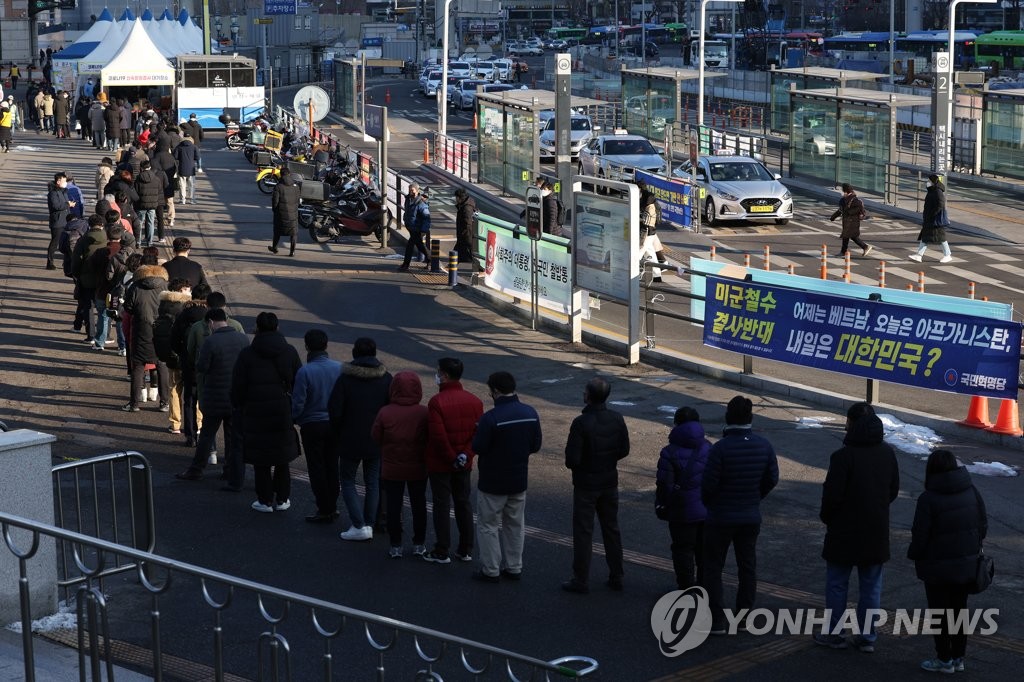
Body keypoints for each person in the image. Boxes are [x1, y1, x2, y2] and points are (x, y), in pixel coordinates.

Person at [814, 403, 899, 652]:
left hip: (843, 530)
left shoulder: (843, 456)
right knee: (871, 585)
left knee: (838, 583)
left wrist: (829, 518)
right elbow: (893, 490)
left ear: (852, 424)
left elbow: (832, 496)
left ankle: (835, 633)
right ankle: (867, 637)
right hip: (876, 529)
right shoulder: (887, 453)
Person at [701, 395, 779, 633]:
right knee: (747, 566)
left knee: (712, 566)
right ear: (751, 418)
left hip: (721, 517)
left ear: (727, 417)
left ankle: (717, 619)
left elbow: (708, 485)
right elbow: (771, 479)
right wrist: (755, 498)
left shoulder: (720, 449)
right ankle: (744, 617)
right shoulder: (764, 446)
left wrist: (714, 503)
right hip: (750, 516)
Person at [908, 450, 988, 674]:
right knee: (959, 610)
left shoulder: (928, 498)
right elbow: (983, 526)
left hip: (936, 567)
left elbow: (920, 535)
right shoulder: (972, 491)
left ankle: (943, 658)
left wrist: (914, 554)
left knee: (939, 613)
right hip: (966, 564)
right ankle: (958, 658)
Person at [471, 371, 541, 583]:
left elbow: (478, 447)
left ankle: (491, 569)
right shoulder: (530, 412)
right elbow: (535, 445)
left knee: (488, 525)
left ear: (495, 391)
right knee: (515, 524)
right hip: (518, 479)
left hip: (492, 481)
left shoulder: (490, 418)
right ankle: (514, 566)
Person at [562, 377, 630, 594]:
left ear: (589, 396)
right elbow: (624, 449)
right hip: (609, 480)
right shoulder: (617, 418)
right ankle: (617, 574)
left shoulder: (581, 423)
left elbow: (572, 459)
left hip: (586, 484)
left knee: (583, 532)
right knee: (611, 528)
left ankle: (580, 579)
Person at [232, 312, 302, 512]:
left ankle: (264, 500)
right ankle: (282, 499)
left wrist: (239, 405)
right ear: (278, 327)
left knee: (260, 458)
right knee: (282, 457)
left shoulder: (247, 354)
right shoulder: (289, 351)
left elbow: (238, 385)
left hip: (255, 410)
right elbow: (298, 380)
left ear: (257, 328)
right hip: (281, 408)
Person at [328, 337, 393, 540]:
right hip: (376, 439)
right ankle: (369, 523)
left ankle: (358, 524)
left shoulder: (345, 379)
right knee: (372, 481)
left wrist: (339, 432)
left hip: (349, 438)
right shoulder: (386, 378)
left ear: (355, 353)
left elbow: (335, 411)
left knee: (347, 480)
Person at [176, 308, 250, 483]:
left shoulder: (211, 341)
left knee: (207, 436)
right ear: (226, 320)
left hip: (214, 396)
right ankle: (230, 470)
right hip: (236, 397)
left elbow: (201, 367)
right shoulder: (242, 339)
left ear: (210, 323)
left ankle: (197, 469)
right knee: (232, 436)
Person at [423, 357, 483, 564]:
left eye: (438, 372)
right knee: (463, 503)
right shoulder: (475, 401)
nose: (437, 375)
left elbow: (438, 437)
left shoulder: (436, 402)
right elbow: (477, 434)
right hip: (464, 462)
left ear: (445, 375)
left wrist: (451, 458)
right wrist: (465, 455)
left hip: (441, 463)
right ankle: (465, 549)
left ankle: (442, 549)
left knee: (441, 505)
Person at [372, 371, 429, 558]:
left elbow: (376, 437)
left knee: (394, 506)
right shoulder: (423, 412)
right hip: (417, 465)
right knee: (419, 504)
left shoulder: (385, 412)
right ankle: (419, 544)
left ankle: (395, 545)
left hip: (392, 465)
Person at [655, 406, 710, 591]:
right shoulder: (708, 447)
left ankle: (687, 588)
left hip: (681, 511)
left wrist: (663, 505)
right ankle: (705, 588)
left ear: (676, 424)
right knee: (704, 552)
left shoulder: (669, 452)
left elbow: (665, 485)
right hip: (707, 510)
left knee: (682, 550)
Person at [291, 329, 343, 523]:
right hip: (334, 424)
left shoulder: (305, 371)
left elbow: (298, 402)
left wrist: (295, 417)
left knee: (316, 467)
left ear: (306, 346)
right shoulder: (339, 368)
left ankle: (324, 507)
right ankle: (333, 504)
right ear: (326, 345)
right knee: (332, 464)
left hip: (311, 424)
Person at [122, 260, 170, 412]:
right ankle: (164, 402)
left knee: (138, 366)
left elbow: (128, 308)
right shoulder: (165, 286)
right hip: (162, 330)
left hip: (141, 330)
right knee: (162, 365)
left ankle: (134, 403)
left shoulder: (135, 287)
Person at [910, 173, 952, 263]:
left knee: (940, 238)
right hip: (931, 218)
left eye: (929, 181)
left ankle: (947, 255)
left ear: (933, 182)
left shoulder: (937, 191)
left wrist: (933, 213)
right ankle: (919, 255)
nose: (927, 182)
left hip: (935, 220)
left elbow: (940, 204)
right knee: (926, 236)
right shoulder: (932, 190)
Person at [637, 180, 668, 281]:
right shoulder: (647, 199)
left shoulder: (648, 202)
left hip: (647, 231)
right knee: (650, 252)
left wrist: (640, 221)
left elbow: (648, 220)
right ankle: (657, 275)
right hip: (649, 231)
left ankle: (632, 275)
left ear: (640, 189)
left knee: (638, 252)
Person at [830, 183, 872, 258]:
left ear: (846, 191)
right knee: (846, 236)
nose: (842, 192)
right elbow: (840, 210)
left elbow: (858, 208)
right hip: (847, 221)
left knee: (852, 236)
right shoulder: (845, 199)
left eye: (843, 190)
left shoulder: (853, 199)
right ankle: (843, 251)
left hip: (853, 221)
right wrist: (833, 217)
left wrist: (849, 212)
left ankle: (865, 247)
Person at [133, 160, 166, 247]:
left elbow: (135, 192)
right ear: (150, 167)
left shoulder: (138, 178)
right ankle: (150, 241)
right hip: (153, 205)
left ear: (141, 168)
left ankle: (138, 242)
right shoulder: (156, 179)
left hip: (141, 205)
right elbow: (159, 191)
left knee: (139, 223)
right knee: (151, 223)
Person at [46, 172, 75, 270]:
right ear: (58, 181)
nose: (65, 182)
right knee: (55, 242)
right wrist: (68, 204)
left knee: (68, 242)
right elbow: (56, 206)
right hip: (57, 221)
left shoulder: (64, 191)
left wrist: (70, 204)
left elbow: (65, 204)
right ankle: (50, 262)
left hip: (66, 220)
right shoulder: (53, 193)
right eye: (64, 180)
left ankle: (68, 262)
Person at [398, 183, 430, 270]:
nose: (410, 192)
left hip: (418, 228)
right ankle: (431, 260)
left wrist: (424, 230)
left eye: (412, 190)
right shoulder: (408, 199)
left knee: (410, 245)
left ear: (417, 191)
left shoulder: (421, 203)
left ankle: (406, 264)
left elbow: (427, 217)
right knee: (420, 245)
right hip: (411, 227)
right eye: (409, 190)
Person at [269, 168, 300, 256]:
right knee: (293, 233)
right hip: (293, 214)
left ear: (281, 175)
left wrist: (275, 211)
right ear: (289, 174)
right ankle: (292, 251)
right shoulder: (296, 186)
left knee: (277, 231)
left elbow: (275, 202)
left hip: (281, 214)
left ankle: (274, 248)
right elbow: (298, 200)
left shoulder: (278, 187)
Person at [174, 133, 200, 205]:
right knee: (191, 185)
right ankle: (192, 199)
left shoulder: (179, 147)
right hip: (191, 169)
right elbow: (197, 157)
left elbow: (175, 156)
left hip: (182, 168)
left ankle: (182, 200)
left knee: (182, 185)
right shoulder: (194, 147)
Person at [453, 187, 476, 264]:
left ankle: (481, 270)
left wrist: (463, 234)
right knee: (459, 253)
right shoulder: (464, 206)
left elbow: (468, 224)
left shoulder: (466, 209)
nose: (455, 199)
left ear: (460, 198)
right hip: (464, 235)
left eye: (456, 197)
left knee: (472, 255)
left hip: (466, 236)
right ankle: (451, 266)